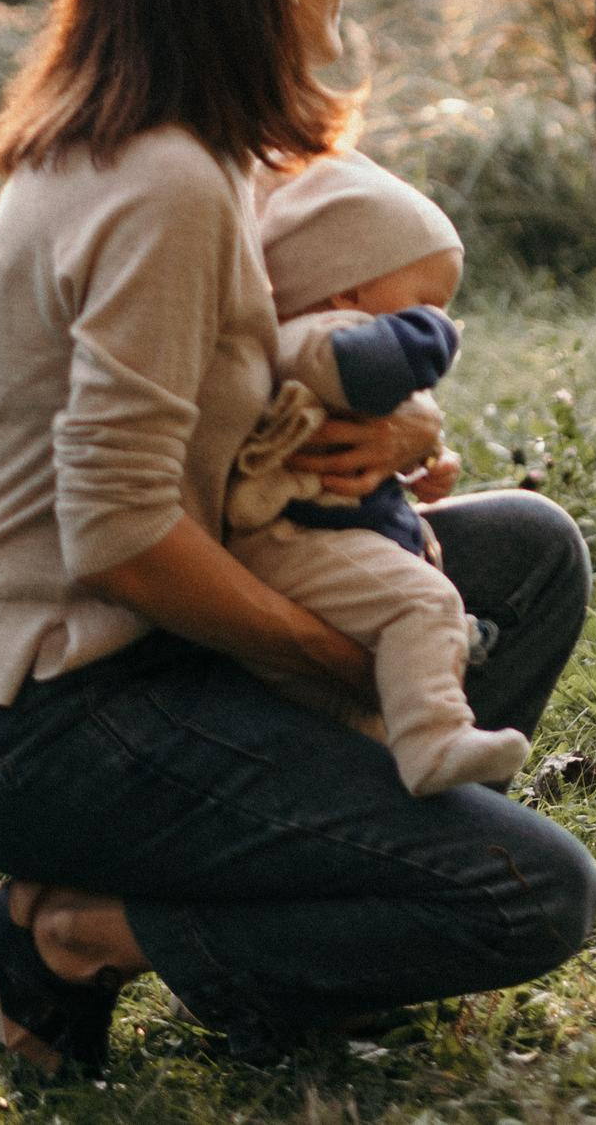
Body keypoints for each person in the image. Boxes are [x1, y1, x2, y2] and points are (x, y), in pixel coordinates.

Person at [0, 0, 596, 1077]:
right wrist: (339, 665)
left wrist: (386, 445)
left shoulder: (166, 152)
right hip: (45, 721)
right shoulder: (159, 185)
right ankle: (65, 941)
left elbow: (220, 415)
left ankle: (332, 930)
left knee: (526, 552)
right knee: (527, 890)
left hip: (118, 658)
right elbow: (115, 533)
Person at [229, 149, 530, 798]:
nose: (438, 317)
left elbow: (379, 411)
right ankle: (434, 739)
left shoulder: (341, 331)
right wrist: (433, 334)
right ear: (348, 287)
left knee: (356, 723)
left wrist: (421, 458)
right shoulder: (313, 338)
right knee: (425, 603)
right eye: (425, 299)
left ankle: (391, 793)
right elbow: (372, 369)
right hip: (292, 546)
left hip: (338, 535)